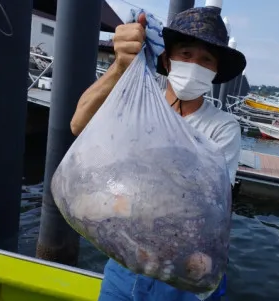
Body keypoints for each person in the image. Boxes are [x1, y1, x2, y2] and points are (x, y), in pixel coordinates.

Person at [70, 6, 246, 301]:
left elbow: (208, 204)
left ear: (214, 72)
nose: (195, 64)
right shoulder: (137, 103)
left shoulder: (223, 127)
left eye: (206, 60)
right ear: (167, 58)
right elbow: (78, 125)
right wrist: (120, 66)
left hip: (183, 272)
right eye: (186, 54)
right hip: (126, 263)